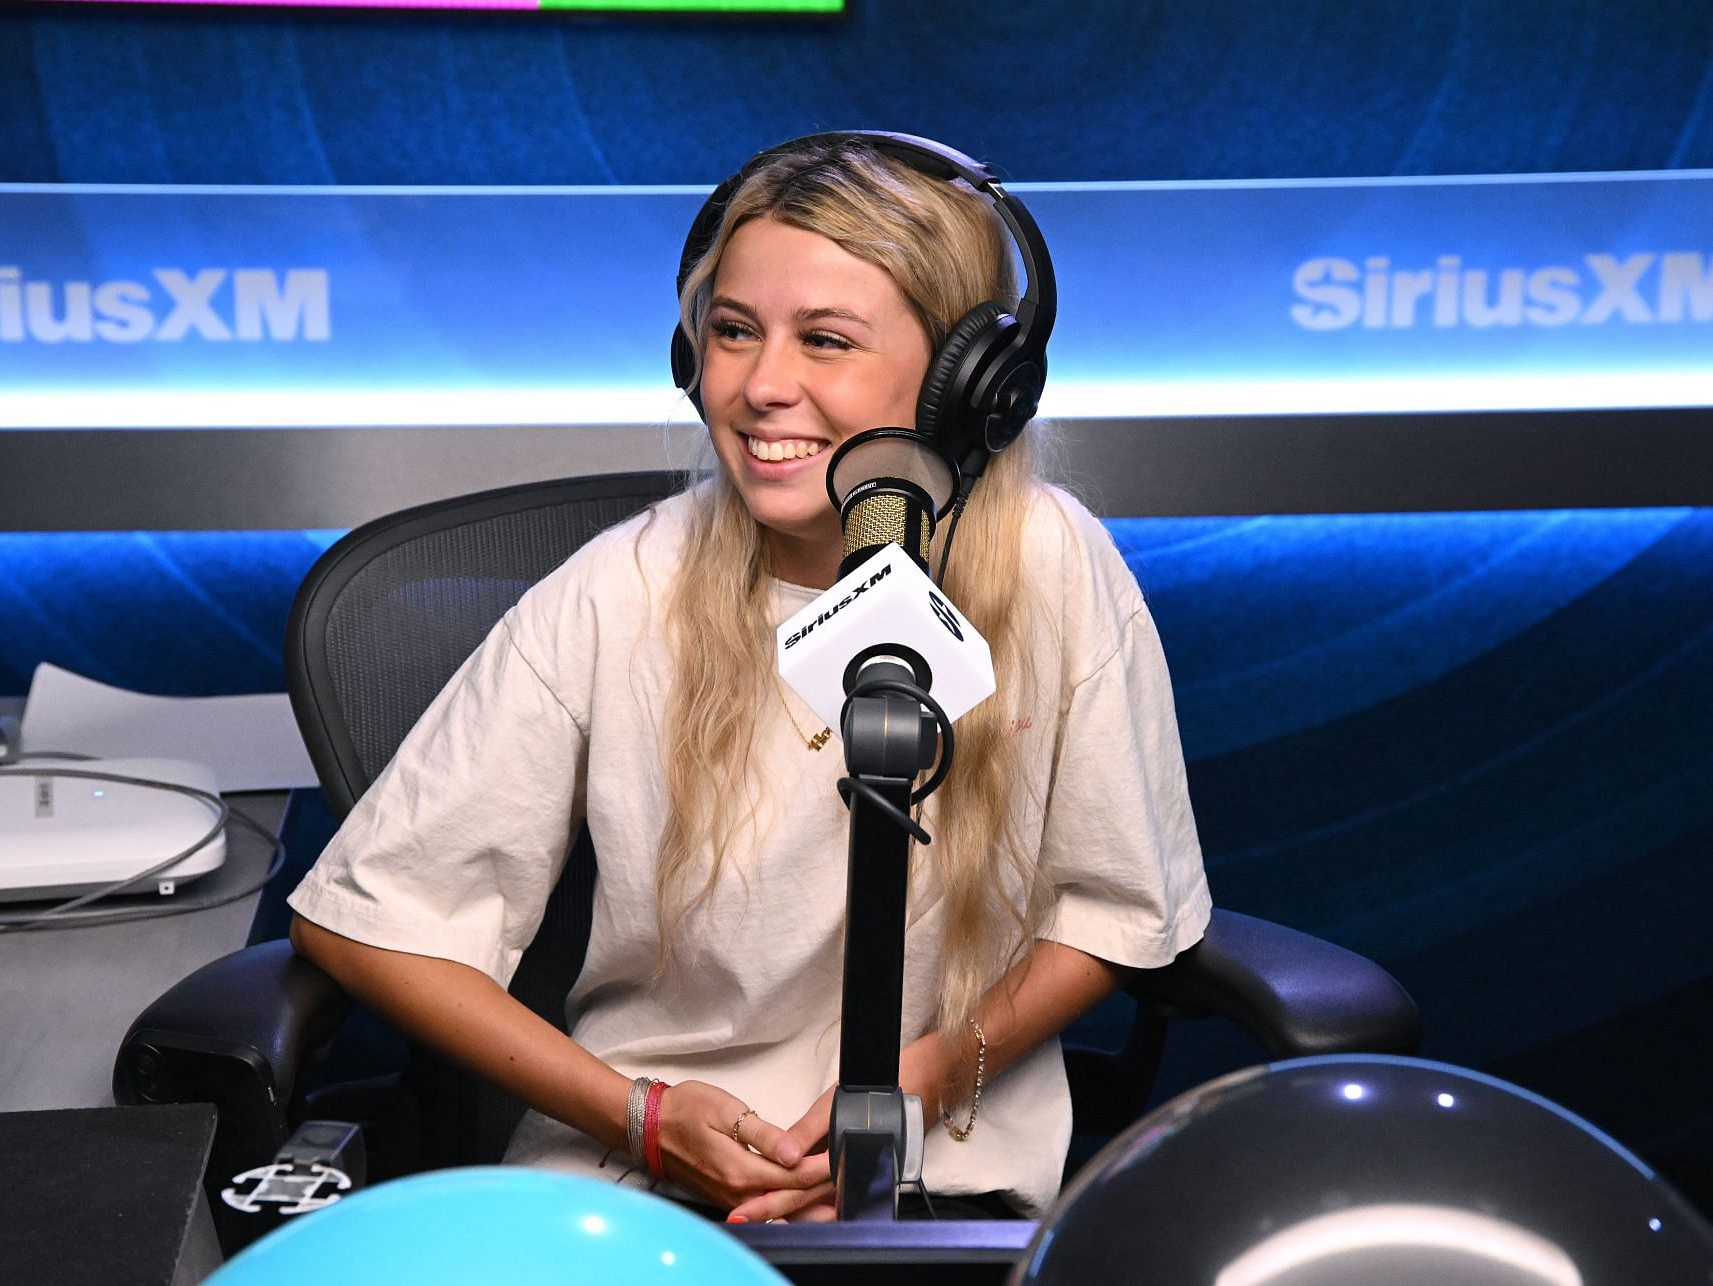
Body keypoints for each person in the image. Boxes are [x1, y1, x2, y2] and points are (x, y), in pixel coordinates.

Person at [287, 133, 1212, 1223]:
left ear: (969, 383)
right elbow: (365, 916)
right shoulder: (624, 586)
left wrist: (914, 1086)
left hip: (943, 1176)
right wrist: (638, 1113)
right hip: (639, 1180)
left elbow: (1114, 910)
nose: (764, 385)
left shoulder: (1055, 567)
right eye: (732, 332)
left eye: (826, 340)